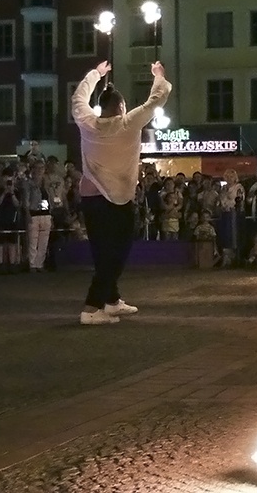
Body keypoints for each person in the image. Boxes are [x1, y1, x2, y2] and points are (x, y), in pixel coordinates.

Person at [71, 60, 172, 325]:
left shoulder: (86, 122)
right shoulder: (127, 124)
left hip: (91, 196)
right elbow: (156, 99)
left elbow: (79, 96)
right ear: (121, 107)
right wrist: (158, 75)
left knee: (101, 249)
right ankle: (92, 308)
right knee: (117, 252)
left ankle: (111, 300)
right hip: (115, 198)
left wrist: (95, 74)